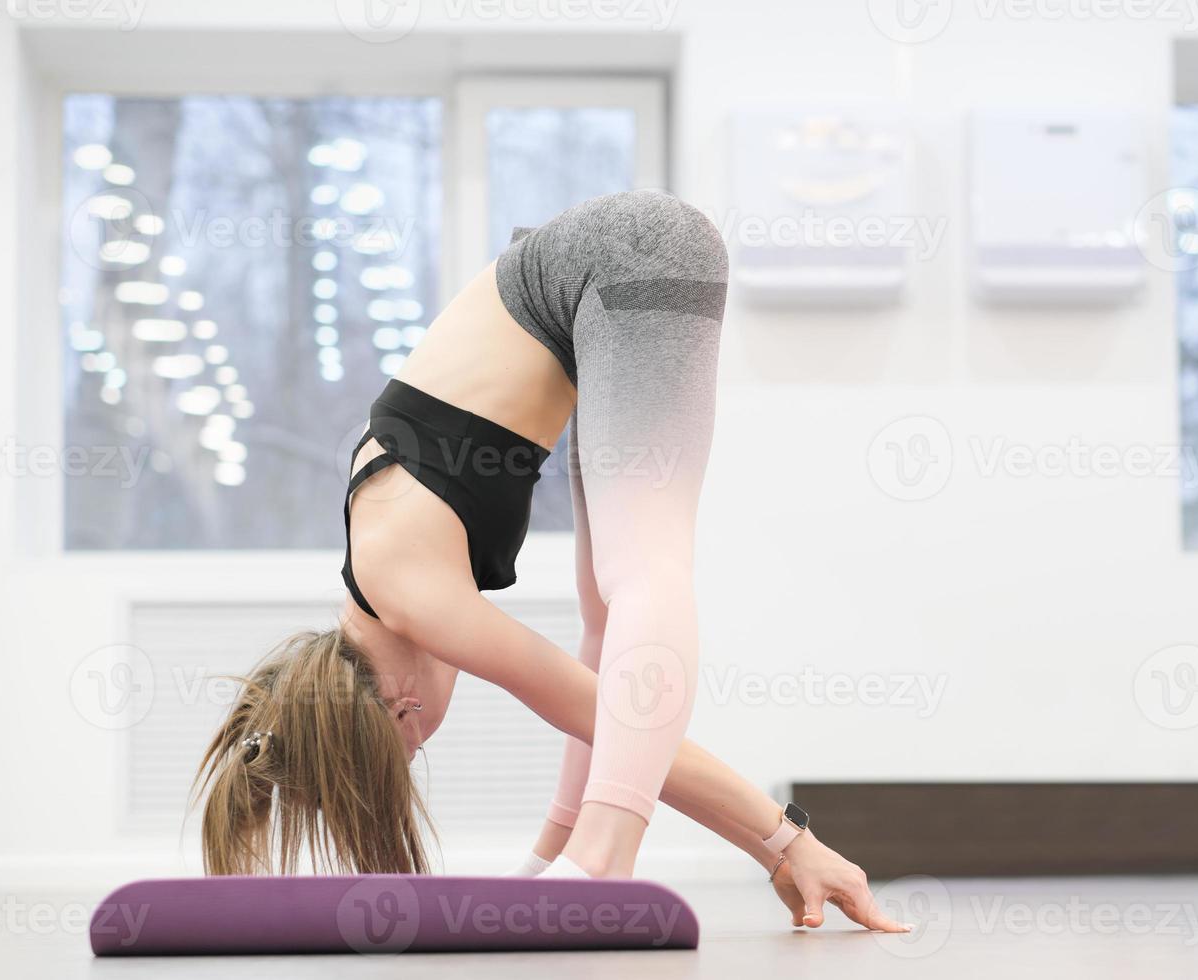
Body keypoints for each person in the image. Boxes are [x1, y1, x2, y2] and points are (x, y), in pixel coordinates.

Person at [195, 190, 908, 932]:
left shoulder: (405, 588)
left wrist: (787, 845)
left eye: (410, 751)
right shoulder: (383, 567)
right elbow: (607, 703)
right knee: (606, 617)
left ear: (398, 713)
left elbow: (591, 709)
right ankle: (574, 849)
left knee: (644, 572)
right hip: (583, 304)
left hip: (622, 260)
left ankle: (602, 856)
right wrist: (543, 861)